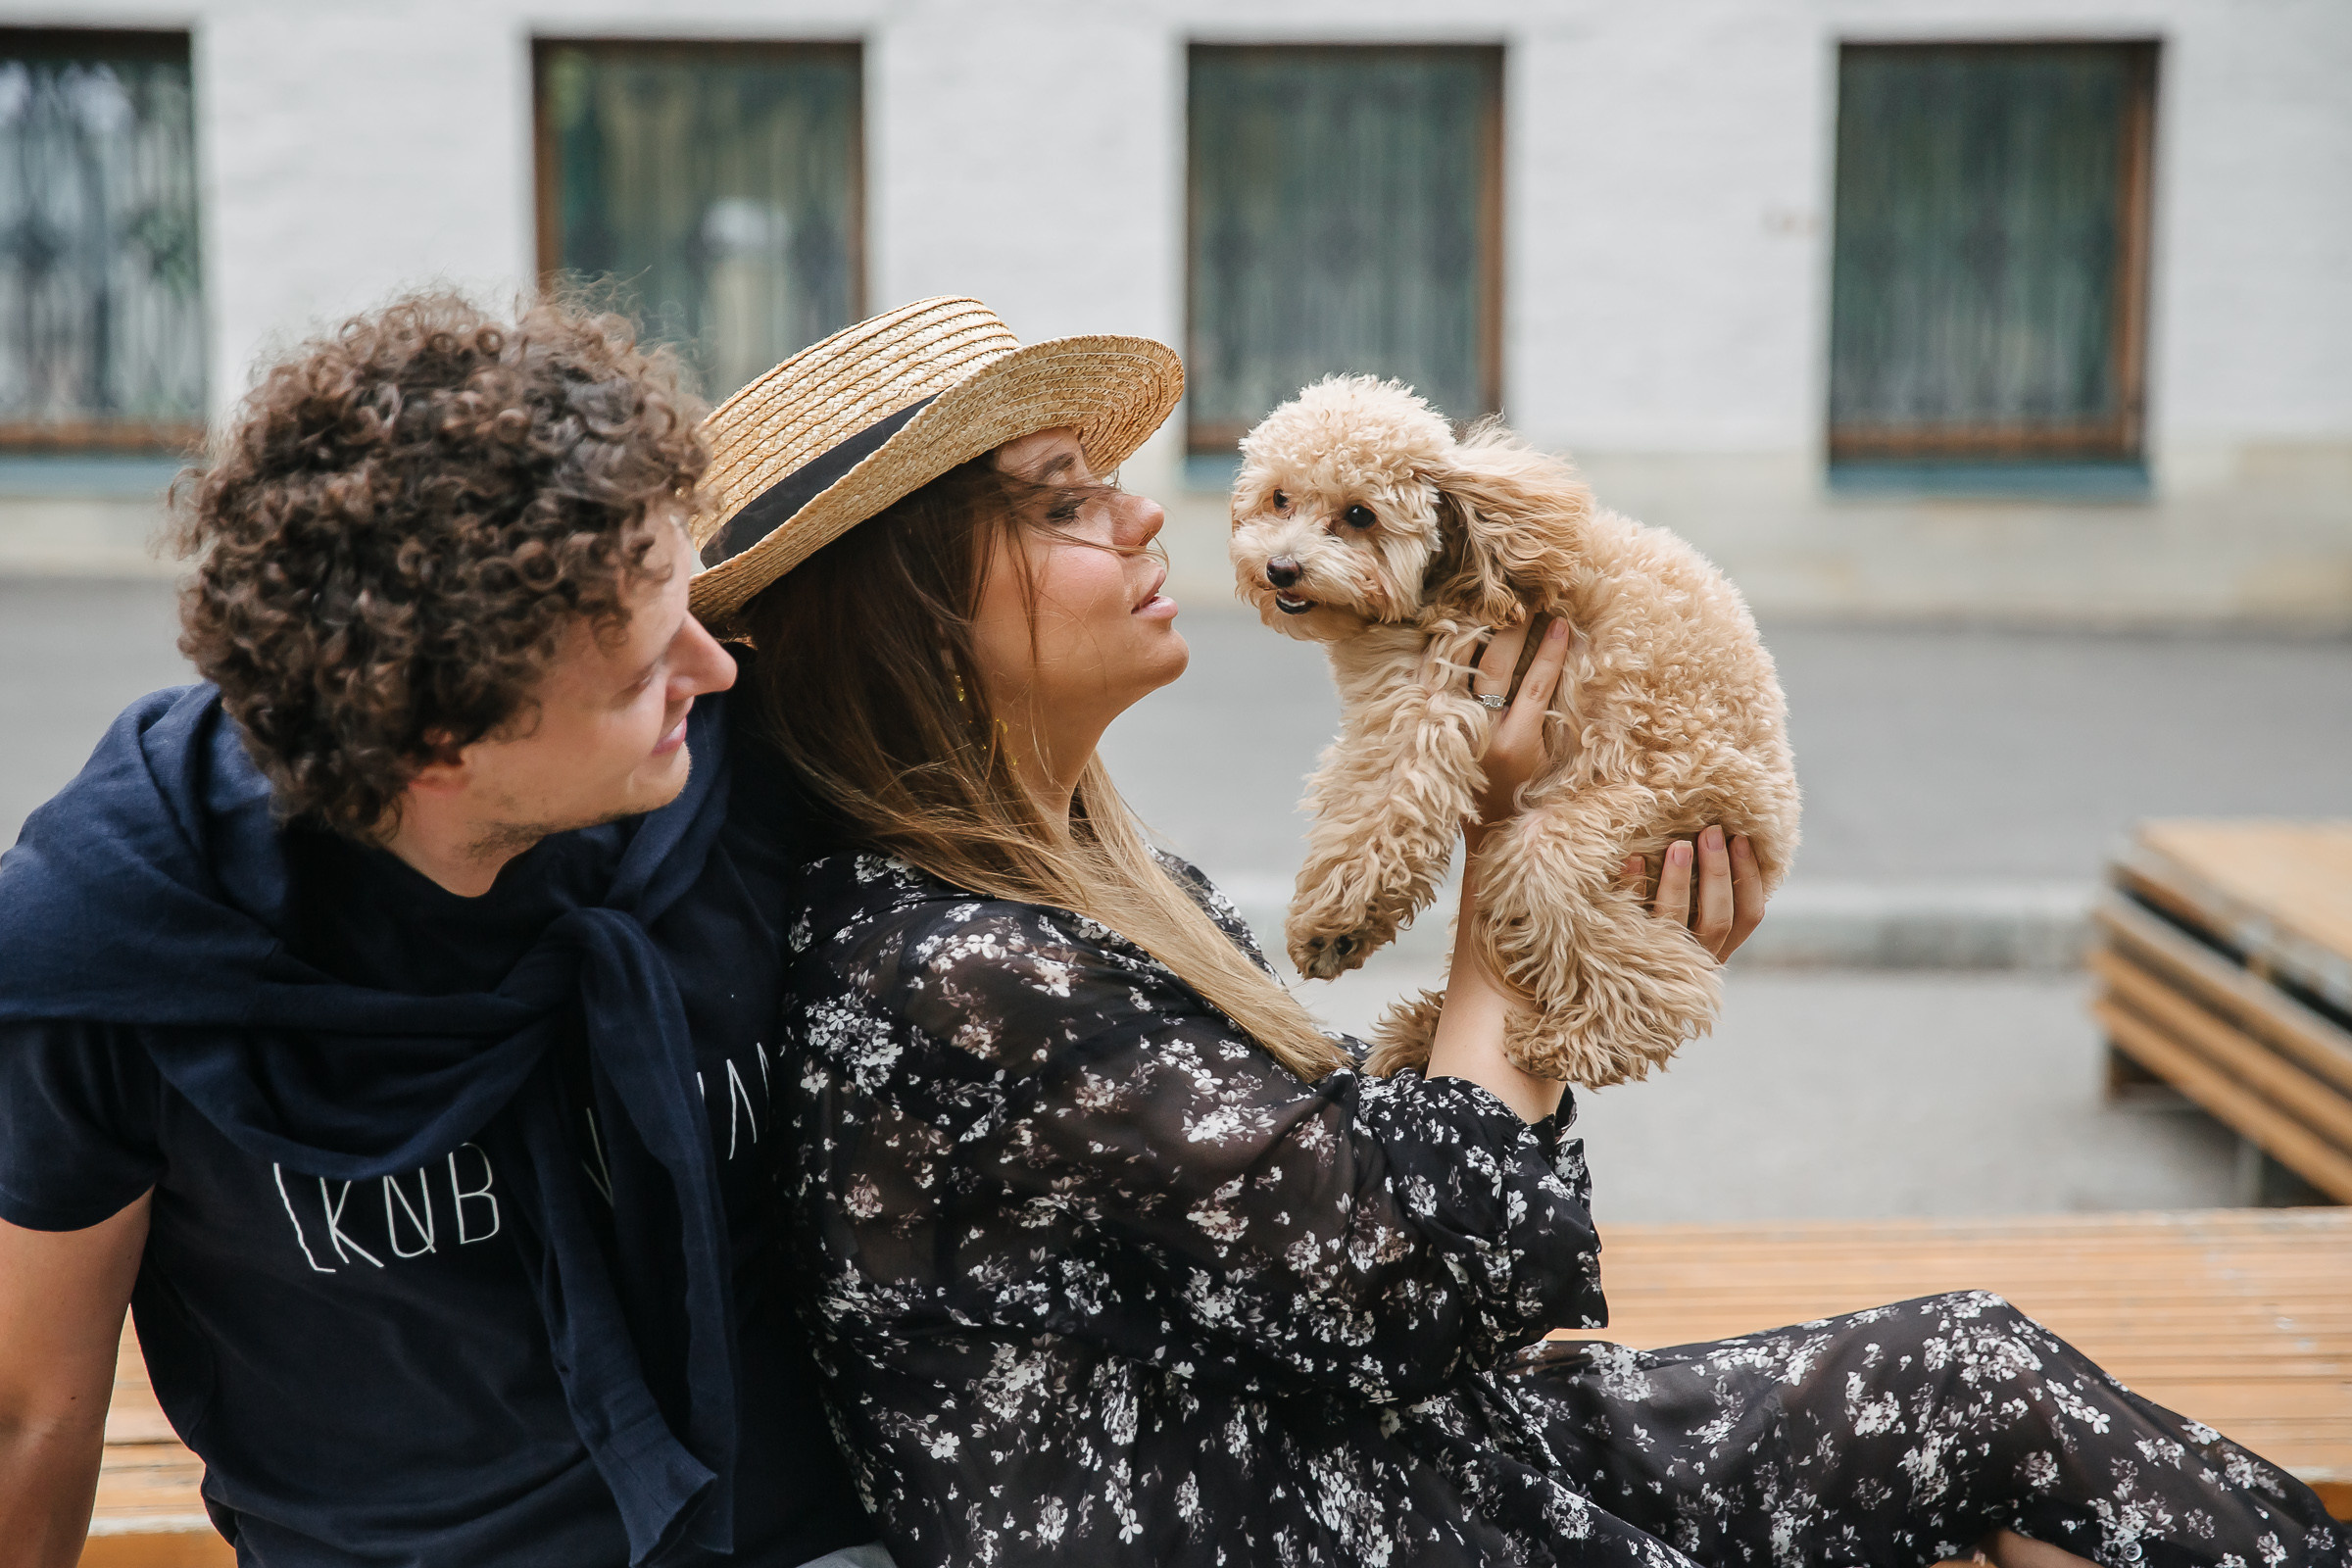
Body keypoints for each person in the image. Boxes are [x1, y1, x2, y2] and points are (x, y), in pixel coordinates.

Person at [690, 297, 2351, 1568]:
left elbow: (1340, 1216)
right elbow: (1431, 1279)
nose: (1142, 518)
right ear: (909, 609)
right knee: (1981, 1401)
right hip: (1325, 1514)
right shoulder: (951, 967)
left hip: (1364, 1462)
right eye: (1058, 503)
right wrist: (1504, 905)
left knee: (1978, 1370)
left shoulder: (1065, 886)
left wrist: (1590, 925)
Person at [0, 294, 881, 1567]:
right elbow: (32, 1411)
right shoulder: (113, 943)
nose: (716, 670)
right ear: (437, 745)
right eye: (642, 674)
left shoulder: (739, 779)